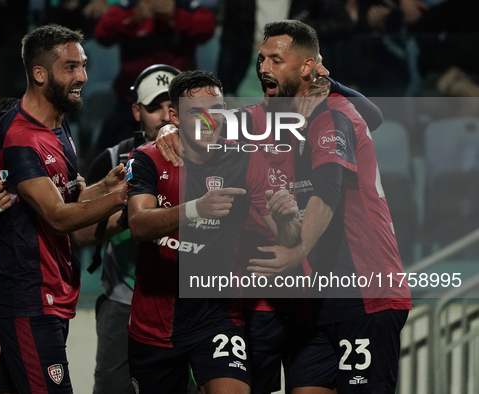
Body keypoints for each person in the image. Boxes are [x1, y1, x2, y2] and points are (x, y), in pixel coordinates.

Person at [155, 50, 385, 394]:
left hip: (308, 298)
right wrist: (169, 128)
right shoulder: (246, 121)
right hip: (254, 297)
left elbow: (374, 116)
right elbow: (201, 121)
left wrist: (331, 84)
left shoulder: (327, 122)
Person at [245, 20, 411, 393]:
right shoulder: (282, 117)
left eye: (275, 59)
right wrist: (173, 128)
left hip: (364, 295)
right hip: (316, 299)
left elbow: (327, 190)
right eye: (261, 59)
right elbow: (216, 127)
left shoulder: (333, 115)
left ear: (306, 66)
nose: (263, 68)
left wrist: (298, 249)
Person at [126, 69, 300, 394]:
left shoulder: (245, 160)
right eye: (197, 113)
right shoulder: (148, 158)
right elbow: (138, 224)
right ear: (174, 116)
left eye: (216, 111)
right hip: (154, 323)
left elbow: (289, 238)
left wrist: (287, 218)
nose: (209, 122)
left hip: (217, 316)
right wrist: (196, 210)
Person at [0, 24, 127, 393]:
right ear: (40, 73)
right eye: (70, 67)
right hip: (27, 296)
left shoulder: (56, 127)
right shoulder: (20, 138)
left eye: (82, 65)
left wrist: (102, 187)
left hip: (49, 292)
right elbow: (58, 217)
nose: (83, 76)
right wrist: (122, 195)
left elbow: (62, 196)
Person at [72, 63, 180, 394]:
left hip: (186, 300)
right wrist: (132, 211)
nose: (163, 116)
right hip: (124, 302)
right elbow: (79, 233)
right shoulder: (114, 159)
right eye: (153, 107)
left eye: (170, 106)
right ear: (136, 111)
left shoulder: (210, 157)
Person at [92, 0, 216, 153]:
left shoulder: (185, 6)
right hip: (133, 102)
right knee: (106, 154)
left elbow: (207, 28)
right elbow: (102, 33)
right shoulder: (131, 6)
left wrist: (174, 15)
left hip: (181, 103)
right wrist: (135, 17)